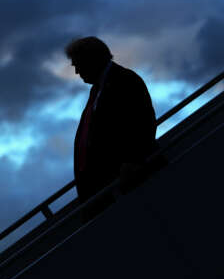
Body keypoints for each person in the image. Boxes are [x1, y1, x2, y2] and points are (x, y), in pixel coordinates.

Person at [65, 36, 160, 222]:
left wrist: (132, 160)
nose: (76, 72)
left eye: (78, 64)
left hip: (123, 185)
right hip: (105, 187)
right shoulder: (99, 89)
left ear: (92, 59)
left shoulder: (124, 80)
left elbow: (142, 120)